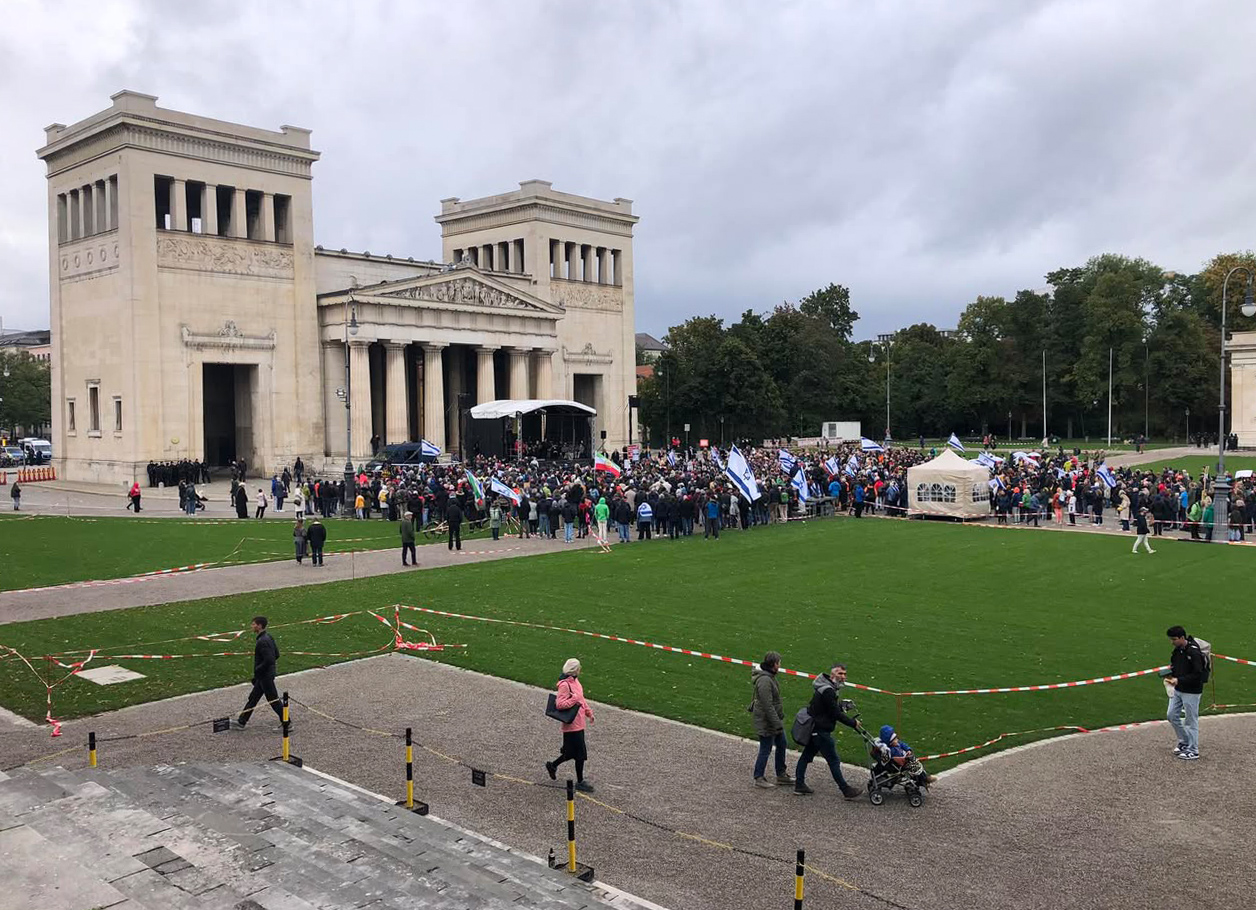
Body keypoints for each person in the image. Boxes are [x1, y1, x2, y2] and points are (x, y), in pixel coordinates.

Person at [794, 662, 863, 799]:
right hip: (820, 731)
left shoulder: (826, 688)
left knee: (806, 757)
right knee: (833, 760)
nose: (843, 676)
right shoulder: (828, 691)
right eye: (840, 673)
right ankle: (846, 790)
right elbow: (834, 714)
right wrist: (853, 723)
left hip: (815, 729)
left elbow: (828, 708)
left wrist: (840, 707)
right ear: (833, 675)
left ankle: (799, 784)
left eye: (844, 674)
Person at [545, 657, 595, 792]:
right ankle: (580, 781)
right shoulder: (564, 685)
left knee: (571, 753)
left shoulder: (576, 682)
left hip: (579, 722)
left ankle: (553, 765)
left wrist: (588, 712)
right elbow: (560, 705)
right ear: (575, 670)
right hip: (572, 725)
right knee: (580, 754)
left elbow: (581, 699)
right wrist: (573, 699)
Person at [751, 651, 792, 789]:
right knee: (765, 749)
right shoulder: (765, 680)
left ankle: (781, 774)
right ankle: (759, 777)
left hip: (773, 721)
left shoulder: (769, 677)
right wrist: (777, 724)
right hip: (767, 722)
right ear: (774, 664)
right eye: (779, 663)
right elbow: (767, 705)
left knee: (782, 744)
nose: (780, 665)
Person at [235, 616, 285, 728]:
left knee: (273, 700)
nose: (251, 626)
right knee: (253, 698)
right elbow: (276, 654)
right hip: (263, 676)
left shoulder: (262, 641)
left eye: (253, 624)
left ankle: (287, 722)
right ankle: (241, 721)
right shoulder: (268, 637)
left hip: (265, 677)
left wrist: (258, 669)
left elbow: (270, 659)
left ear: (259, 625)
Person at [1165, 626, 1206, 761]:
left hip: (1191, 691)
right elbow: (1175, 665)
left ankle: (1193, 749)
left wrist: (1179, 679)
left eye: (1174, 639)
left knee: (1190, 720)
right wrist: (1170, 674)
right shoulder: (1178, 650)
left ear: (1182, 638)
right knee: (1171, 715)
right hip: (1178, 689)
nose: (1172, 642)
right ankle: (1184, 741)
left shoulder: (1193, 652)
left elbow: (1198, 674)